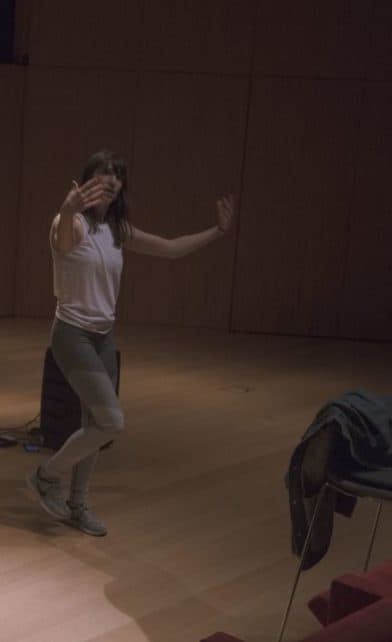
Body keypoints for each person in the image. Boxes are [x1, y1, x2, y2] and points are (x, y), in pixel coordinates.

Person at [26, 149, 234, 537]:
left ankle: (78, 504)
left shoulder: (116, 230)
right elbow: (64, 244)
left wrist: (218, 232)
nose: (110, 181)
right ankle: (45, 475)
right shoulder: (69, 222)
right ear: (85, 180)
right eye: (102, 174)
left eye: (117, 176)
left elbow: (170, 249)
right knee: (111, 422)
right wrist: (68, 209)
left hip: (104, 337)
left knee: (96, 424)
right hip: (72, 335)